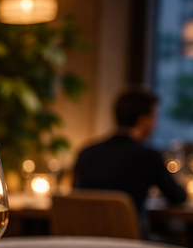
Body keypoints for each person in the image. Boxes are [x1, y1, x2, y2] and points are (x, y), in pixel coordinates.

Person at [73, 88, 187, 223]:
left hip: (85, 239)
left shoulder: (86, 153)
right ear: (143, 119)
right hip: (129, 241)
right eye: (154, 116)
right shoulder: (148, 156)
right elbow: (178, 196)